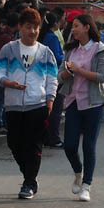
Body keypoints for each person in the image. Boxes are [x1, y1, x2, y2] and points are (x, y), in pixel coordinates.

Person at [0, 9, 59, 199]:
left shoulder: (45, 52)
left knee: (34, 145)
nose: (32, 31)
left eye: (36, 27)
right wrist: (6, 82)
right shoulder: (9, 49)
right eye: (29, 27)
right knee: (14, 143)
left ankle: (29, 183)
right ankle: (29, 176)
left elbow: (52, 78)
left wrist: (50, 99)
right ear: (20, 28)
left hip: (37, 104)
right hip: (13, 104)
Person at [60, 14, 104, 202]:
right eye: (72, 27)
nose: (73, 30)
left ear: (87, 28)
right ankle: (77, 172)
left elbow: (103, 76)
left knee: (89, 145)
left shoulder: (101, 50)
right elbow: (59, 76)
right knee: (70, 145)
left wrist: (78, 70)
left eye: (76, 26)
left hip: (94, 103)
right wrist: (66, 73)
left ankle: (87, 185)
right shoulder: (70, 50)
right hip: (73, 102)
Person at [40, 12, 66, 147]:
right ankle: (53, 139)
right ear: (55, 23)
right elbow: (57, 57)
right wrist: (67, 58)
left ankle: (46, 137)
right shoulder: (52, 38)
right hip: (54, 75)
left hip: (43, 74)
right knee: (56, 108)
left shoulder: (43, 36)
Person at [0, 11, 17, 135]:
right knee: (0, 99)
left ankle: (2, 123)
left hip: (4, 71)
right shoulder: (6, 37)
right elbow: (4, 56)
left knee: (2, 99)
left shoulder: (5, 34)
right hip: (2, 72)